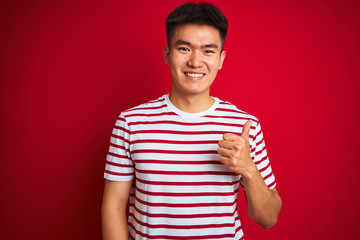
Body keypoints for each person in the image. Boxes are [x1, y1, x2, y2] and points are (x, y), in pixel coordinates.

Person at [101, 2, 282, 239]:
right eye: (184, 48)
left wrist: (248, 169)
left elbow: (268, 219)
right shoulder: (131, 122)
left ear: (221, 59)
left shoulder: (245, 126)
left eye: (208, 51)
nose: (196, 62)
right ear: (167, 54)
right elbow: (113, 206)